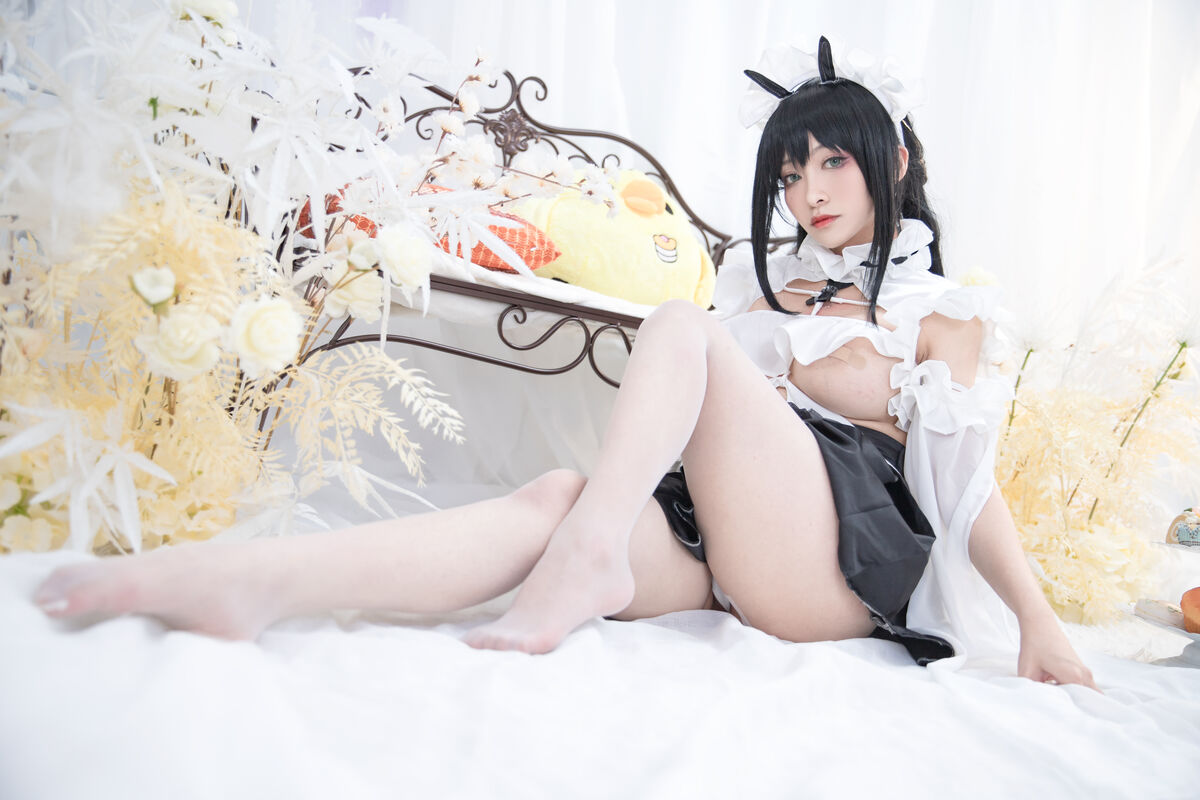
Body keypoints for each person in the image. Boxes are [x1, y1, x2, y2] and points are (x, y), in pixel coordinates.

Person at [33, 37, 1095, 688]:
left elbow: (967, 487)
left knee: (680, 329)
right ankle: (251, 582)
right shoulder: (760, 289)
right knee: (553, 493)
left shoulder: (946, 312)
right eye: (787, 171)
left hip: (841, 568)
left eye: (830, 160)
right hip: (722, 542)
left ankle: (588, 557)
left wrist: (1036, 622)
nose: (807, 190)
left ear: (892, 159)